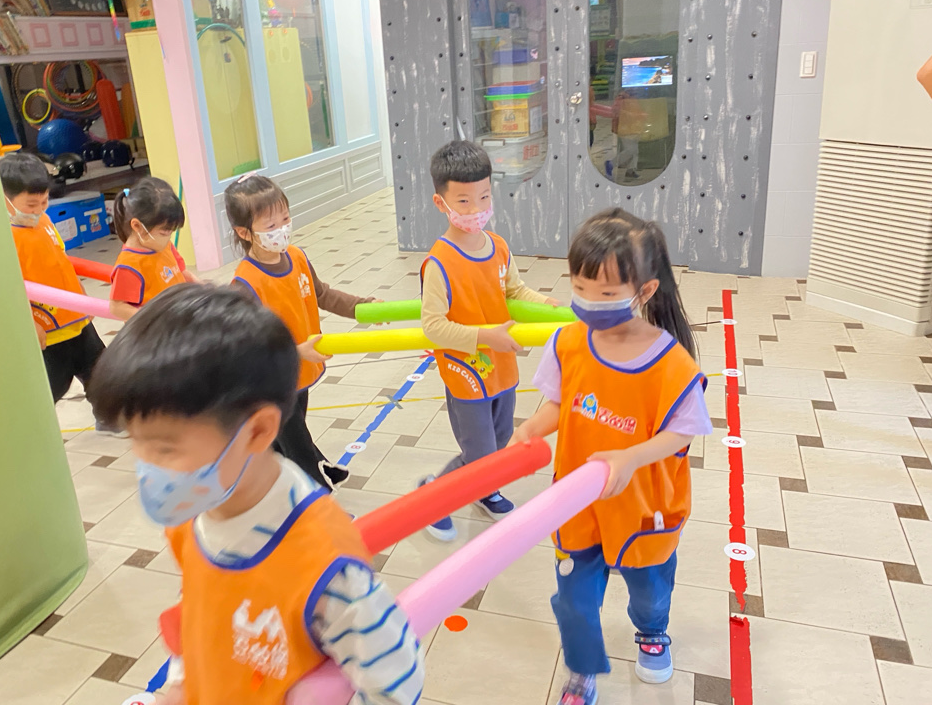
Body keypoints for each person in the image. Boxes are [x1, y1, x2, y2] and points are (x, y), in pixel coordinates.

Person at [86, 284, 424, 705]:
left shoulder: (324, 563)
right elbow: (201, 617)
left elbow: (396, 683)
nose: (144, 465)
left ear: (259, 431)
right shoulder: (193, 514)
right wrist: (180, 685)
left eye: (164, 448)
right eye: (133, 441)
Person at [509, 210, 711, 705]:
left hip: (643, 504)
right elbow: (560, 403)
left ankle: (652, 633)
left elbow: (682, 433)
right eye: (579, 288)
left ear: (644, 291)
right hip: (578, 500)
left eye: (604, 293)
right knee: (574, 599)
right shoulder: (567, 342)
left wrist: (630, 457)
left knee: (649, 588)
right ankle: (581, 669)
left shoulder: (670, 362)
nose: (587, 303)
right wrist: (531, 428)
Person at [418, 140, 556, 541]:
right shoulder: (438, 262)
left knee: (497, 442)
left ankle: (483, 488)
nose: (476, 208)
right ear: (441, 203)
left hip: (502, 367)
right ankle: (433, 498)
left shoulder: (498, 247)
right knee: (478, 451)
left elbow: (515, 291)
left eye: (484, 197)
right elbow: (433, 327)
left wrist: (546, 305)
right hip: (466, 371)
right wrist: (485, 336)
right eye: (463, 201)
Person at [224, 173, 380, 490]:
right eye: (271, 225)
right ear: (244, 232)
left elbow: (322, 294)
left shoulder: (297, 257)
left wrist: (362, 307)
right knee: (293, 435)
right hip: (270, 379)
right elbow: (246, 348)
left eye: (285, 218)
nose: (282, 229)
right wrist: (295, 352)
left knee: (289, 430)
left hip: (299, 369)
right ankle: (315, 489)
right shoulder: (245, 284)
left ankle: (277, 478)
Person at [0, 153, 110, 417]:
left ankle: (107, 416)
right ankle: (31, 426)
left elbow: (61, 261)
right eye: (31, 204)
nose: (39, 210)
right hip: (49, 330)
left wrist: (82, 296)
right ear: (3, 199)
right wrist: (29, 321)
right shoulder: (3, 239)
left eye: (44, 201)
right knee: (53, 385)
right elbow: (7, 289)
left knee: (102, 372)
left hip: (78, 320)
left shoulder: (45, 221)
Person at [108, 177, 198, 321]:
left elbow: (182, 273)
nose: (168, 238)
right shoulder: (129, 266)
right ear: (137, 226)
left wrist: (205, 291)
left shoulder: (162, 245)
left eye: (171, 232)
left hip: (179, 319)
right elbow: (117, 307)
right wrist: (154, 321)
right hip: (158, 329)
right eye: (164, 233)